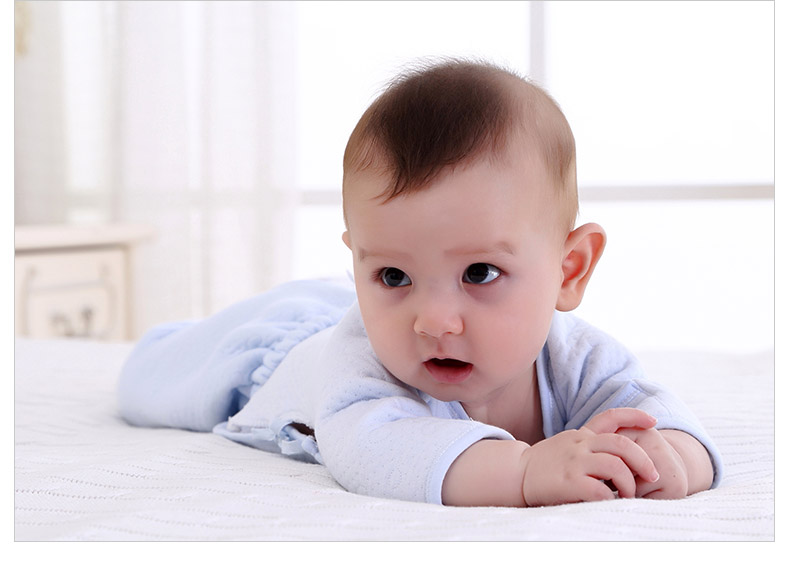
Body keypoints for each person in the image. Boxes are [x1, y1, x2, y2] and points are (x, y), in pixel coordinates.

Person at [119, 59, 721, 507]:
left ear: (570, 270)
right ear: (360, 264)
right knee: (150, 380)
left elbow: (656, 413)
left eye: (480, 273)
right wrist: (523, 471)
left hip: (336, 312)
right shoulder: (360, 367)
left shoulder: (578, 357)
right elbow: (374, 451)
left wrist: (669, 458)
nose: (433, 320)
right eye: (392, 274)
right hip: (284, 350)